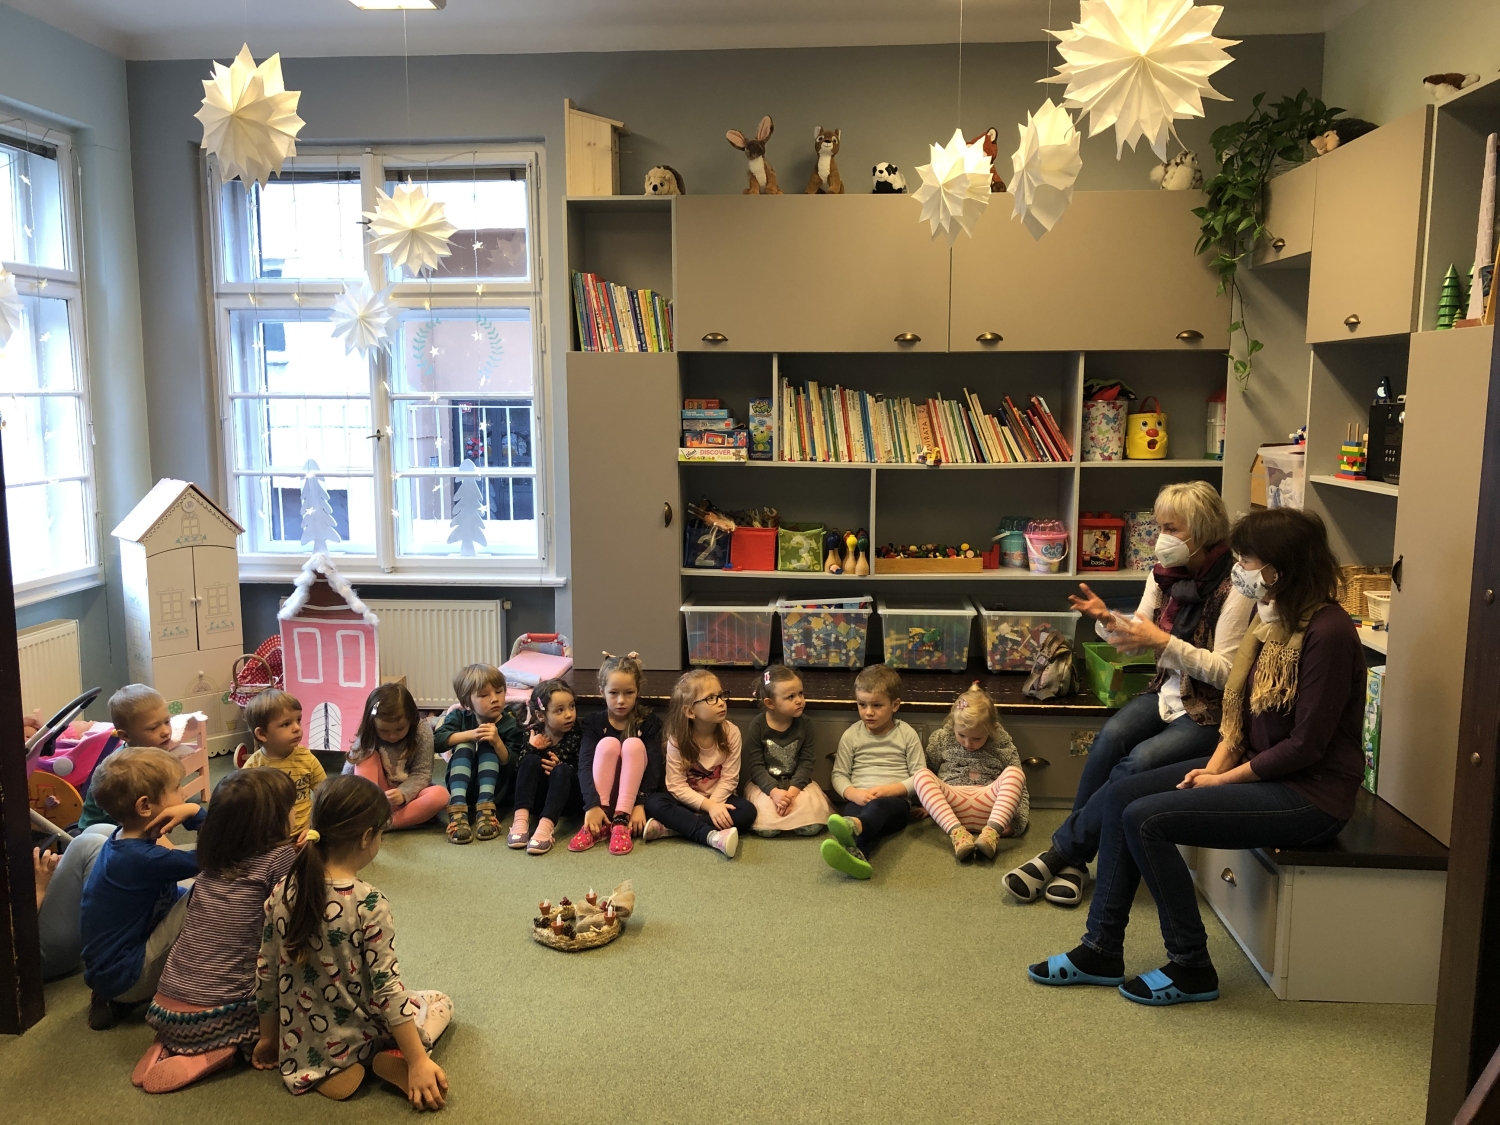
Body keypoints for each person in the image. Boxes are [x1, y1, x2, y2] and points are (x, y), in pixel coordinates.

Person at [1029, 508, 1363, 1005]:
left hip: (1310, 795)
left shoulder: (1327, 632)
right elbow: (1238, 718)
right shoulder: (1272, 621)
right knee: (1120, 795)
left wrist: (1222, 781)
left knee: (1146, 819)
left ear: (1280, 568)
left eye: (1248, 560)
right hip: (1261, 771)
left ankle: (1191, 966)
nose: (1240, 569)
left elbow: (1306, 746)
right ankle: (1100, 949)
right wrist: (1215, 766)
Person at [1005, 481, 1254, 907]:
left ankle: (1064, 854)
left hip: (1210, 711)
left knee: (1136, 763)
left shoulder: (1235, 587)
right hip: (1166, 692)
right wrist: (1108, 621)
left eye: (1172, 528)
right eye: (1160, 527)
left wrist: (1163, 642)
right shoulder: (1164, 575)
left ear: (1201, 531)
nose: (1161, 538)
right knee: (1109, 740)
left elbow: (1227, 674)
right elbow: (1138, 637)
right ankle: (1076, 860)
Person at [254, 775, 453, 1106]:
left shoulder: (282, 891)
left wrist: (268, 1037)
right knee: (439, 1001)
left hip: (303, 1040)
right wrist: (418, 1061)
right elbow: (387, 989)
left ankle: (329, 1068)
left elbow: (266, 970)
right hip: (363, 1030)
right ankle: (391, 1053)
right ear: (366, 838)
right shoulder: (369, 902)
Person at [133, 769, 299, 1093]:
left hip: (165, 1005)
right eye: (291, 808)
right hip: (217, 1014)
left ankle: (168, 1043)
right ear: (273, 821)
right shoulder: (280, 858)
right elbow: (293, 915)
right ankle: (214, 1049)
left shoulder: (213, 855)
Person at [78, 747, 205, 1031]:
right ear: (145, 806)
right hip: (130, 977)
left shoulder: (122, 838)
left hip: (110, 972)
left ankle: (113, 998)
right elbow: (219, 854)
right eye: (176, 789)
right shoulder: (144, 859)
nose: (183, 794)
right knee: (210, 888)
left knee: (184, 892)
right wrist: (196, 813)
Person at [820, 665, 926, 880]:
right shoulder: (851, 735)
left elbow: (920, 776)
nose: (868, 712)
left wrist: (892, 790)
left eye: (877, 705)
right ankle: (859, 858)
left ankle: (856, 827)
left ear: (895, 705)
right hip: (859, 799)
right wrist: (853, 793)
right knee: (858, 817)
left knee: (876, 809)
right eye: (862, 704)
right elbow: (839, 774)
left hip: (894, 804)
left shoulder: (906, 734)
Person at [643, 670, 757, 858]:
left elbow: (729, 779)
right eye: (711, 698)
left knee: (747, 812)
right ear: (690, 711)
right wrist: (708, 807)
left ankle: (673, 828)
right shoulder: (677, 739)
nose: (721, 702)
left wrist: (714, 806)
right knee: (654, 803)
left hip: (720, 798)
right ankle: (711, 836)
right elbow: (676, 785)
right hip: (687, 801)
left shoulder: (732, 733)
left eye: (721, 695)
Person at [914, 683, 1030, 861]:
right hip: (952, 809)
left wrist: (1017, 824)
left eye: (977, 738)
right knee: (920, 775)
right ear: (952, 725)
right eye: (961, 736)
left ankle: (991, 834)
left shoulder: (1002, 745)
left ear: (992, 729)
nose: (968, 744)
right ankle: (958, 835)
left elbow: (1020, 789)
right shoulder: (941, 739)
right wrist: (929, 805)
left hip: (990, 809)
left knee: (1016, 774)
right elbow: (930, 770)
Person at [572, 652, 664, 856]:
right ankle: (600, 820)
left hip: (632, 799)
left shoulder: (648, 722)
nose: (621, 700)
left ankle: (620, 821)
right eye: (613, 693)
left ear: (637, 691)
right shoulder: (594, 723)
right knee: (608, 743)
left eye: (629, 693)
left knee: (632, 745)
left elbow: (654, 765)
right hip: (601, 799)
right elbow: (584, 764)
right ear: (601, 691)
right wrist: (591, 805)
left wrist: (640, 804)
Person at [434, 663, 524, 844]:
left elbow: (514, 765)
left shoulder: (511, 723)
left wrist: (497, 742)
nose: (494, 699)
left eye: (499, 692)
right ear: (467, 704)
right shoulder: (459, 717)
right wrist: (470, 735)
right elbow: (437, 742)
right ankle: (457, 807)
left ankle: (486, 809)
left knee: (487, 743)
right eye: (484, 695)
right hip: (462, 786)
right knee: (465, 743)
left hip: (495, 790)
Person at [343, 683, 449, 830]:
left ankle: (386, 824)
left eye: (400, 729)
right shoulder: (369, 732)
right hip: (377, 798)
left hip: (409, 797)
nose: (392, 736)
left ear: (411, 719)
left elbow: (422, 773)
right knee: (364, 756)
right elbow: (350, 771)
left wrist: (403, 793)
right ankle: (372, 815)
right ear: (372, 723)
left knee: (441, 795)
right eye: (384, 730)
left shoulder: (422, 731)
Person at [742, 664, 831, 837]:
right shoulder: (758, 726)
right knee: (767, 830)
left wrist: (792, 793)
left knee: (811, 828)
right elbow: (756, 766)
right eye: (791, 696)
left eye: (801, 693)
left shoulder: (806, 724)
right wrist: (774, 792)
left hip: (797, 785)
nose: (799, 700)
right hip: (767, 787)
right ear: (770, 703)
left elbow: (806, 762)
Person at [77, 684, 178, 830]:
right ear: (125, 736)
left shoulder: (154, 752)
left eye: (167, 722)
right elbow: (124, 817)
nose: (166, 731)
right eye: (153, 728)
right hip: (102, 830)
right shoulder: (123, 769)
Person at [508, 679, 583, 855]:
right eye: (560, 710)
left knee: (562, 770)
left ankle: (545, 827)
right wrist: (531, 747)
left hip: (565, 803)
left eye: (572, 707)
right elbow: (518, 772)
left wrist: (561, 766)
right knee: (530, 760)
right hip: (537, 800)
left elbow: (584, 771)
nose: (569, 714)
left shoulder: (578, 734)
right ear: (541, 716)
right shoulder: (532, 732)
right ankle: (520, 820)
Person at [241, 689, 326, 838]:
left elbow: (325, 794)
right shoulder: (253, 768)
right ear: (262, 734)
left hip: (305, 833)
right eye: (286, 724)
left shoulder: (307, 758)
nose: (297, 728)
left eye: (298, 720)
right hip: (270, 838)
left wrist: (314, 826)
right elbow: (246, 811)